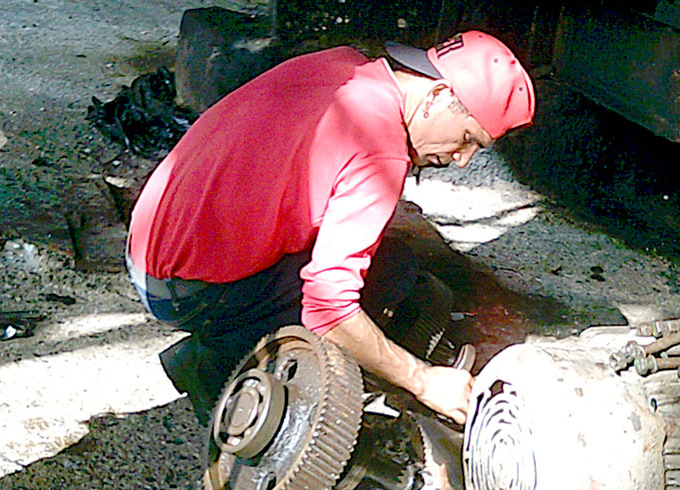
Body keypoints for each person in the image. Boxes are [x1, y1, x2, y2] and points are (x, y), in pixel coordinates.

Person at [125, 30, 535, 426]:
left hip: (147, 241)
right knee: (388, 276)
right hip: (181, 288)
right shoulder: (380, 150)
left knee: (383, 257)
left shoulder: (344, 63)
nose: (462, 159)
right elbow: (328, 310)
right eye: (467, 139)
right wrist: (423, 381)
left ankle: (227, 336)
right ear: (438, 95)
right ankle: (215, 364)